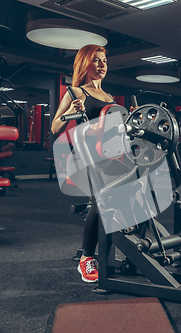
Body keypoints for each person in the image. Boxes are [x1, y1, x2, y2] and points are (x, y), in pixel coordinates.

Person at [52, 44, 114, 283]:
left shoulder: (108, 97)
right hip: (83, 159)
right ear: (85, 64)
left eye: (104, 61)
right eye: (96, 60)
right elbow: (55, 127)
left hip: (108, 158)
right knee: (103, 199)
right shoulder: (76, 92)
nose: (101, 65)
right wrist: (72, 114)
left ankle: (130, 247)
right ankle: (86, 258)